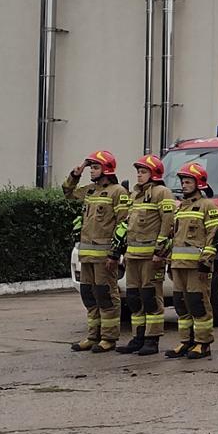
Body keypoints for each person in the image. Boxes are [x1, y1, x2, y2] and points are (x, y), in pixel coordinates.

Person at [62, 150, 129, 353]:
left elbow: (123, 224)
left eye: (95, 167)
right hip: (87, 255)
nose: (91, 170)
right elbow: (68, 193)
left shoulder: (118, 192)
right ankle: (93, 336)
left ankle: (108, 338)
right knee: (88, 296)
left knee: (106, 295)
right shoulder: (90, 191)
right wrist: (76, 173)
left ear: (106, 170)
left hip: (104, 257)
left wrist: (115, 254)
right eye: (91, 167)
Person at [115, 155, 175, 356]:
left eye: (143, 172)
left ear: (154, 173)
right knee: (134, 298)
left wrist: (161, 251)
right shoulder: (135, 196)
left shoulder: (162, 193)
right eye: (138, 172)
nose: (139, 176)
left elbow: (168, 224)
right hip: (132, 256)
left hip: (151, 257)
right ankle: (138, 337)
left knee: (151, 298)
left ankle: (152, 339)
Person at [163, 162, 218, 359]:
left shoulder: (207, 206)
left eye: (188, 181)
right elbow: (175, 237)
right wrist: (170, 261)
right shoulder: (181, 208)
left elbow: (214, 236)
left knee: (198, 304)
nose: (184, 185)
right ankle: (186, 341)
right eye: (183, 181)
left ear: (199, 184)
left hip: (197, 267)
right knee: (181, 304)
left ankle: (203, 343)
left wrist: (206, 261)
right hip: (179, 265)